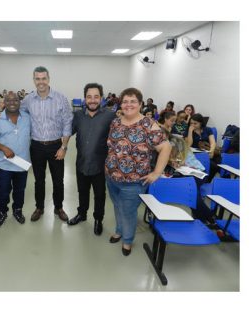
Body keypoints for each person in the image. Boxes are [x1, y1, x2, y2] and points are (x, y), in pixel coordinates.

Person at [105, 87, 171, 256]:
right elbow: (112, 146)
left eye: (133, 101)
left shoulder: (148, 125)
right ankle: (119, 231)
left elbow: (166, 147)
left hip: (134, 182)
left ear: (140, 104)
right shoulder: (116, 122)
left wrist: (156, 173)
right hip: (112, 177)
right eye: (125, 101)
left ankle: (127, 241)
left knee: (128, 212)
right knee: (118, 207)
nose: (128, 105)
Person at [20, 66, 73, 222]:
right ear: (34, 80)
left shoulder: (60, 98)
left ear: (48, 79)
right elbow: (17, 112)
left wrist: (64, 147)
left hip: (56, 145)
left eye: (44, 78)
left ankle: (58, 207)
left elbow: (67, 123)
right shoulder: (28, 100)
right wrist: (0, 115)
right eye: (38, 79)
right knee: (39, 180)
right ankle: (39, 207)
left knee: (58, 180)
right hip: (36, 146)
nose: (41, 82)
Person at [68, 83, 116, 235]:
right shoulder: (78, 116)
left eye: (96, 97)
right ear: (85, 99)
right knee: (82, 191)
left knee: (100, 195)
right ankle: (82, 214)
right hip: (81, 163)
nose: (92, 100)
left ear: (101, 98)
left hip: (100, 165)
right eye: (89, 97)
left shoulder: (110, 116)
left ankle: (98, 220)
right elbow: (67, 131)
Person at [0, 91, 31, 228]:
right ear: (4, 103)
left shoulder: (27, 118)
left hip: (21, 164)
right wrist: (3, 148)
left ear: (20, 102)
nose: (12, 103)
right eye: (9, 100)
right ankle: (1, 212)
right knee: (3, 191)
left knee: (20, 190)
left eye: (15, 100)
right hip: (4, 164)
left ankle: (17, 210)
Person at [167, 135, 217, 228]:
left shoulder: (180, 149)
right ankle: (205, 218)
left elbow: (180, 161)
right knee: (193, 194)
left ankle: (209, 217)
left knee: (191, 193)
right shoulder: (177, 147)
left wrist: (174, 162)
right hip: (188, 173)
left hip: (198, 174)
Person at [185, 113, 220, 182]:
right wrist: (190, 131)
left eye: (195, 123)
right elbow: (189, 144)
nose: (193, 125)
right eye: (191, 123)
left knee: (219, 163)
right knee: (213, 166)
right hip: (195, 155)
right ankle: (205, 180)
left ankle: (208, 180)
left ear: (201, 123)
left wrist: (212, 151)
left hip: (207, 152)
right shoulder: (188, 130)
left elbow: (213, 142)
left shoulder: (207, 129)